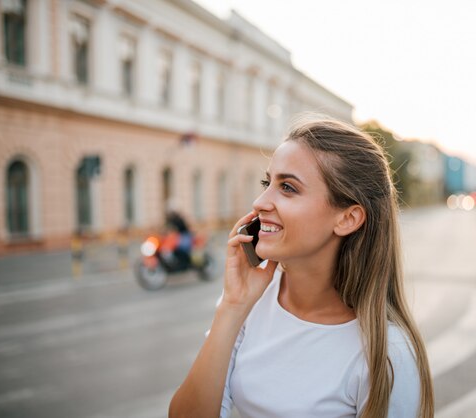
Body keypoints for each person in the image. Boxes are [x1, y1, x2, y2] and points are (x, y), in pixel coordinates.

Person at [169, 117, 434, 418]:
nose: (259, 202)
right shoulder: (250, 303)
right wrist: (232, 306)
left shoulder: (387, 354)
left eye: (288, 188)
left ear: (347, 219)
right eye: (267, 183)